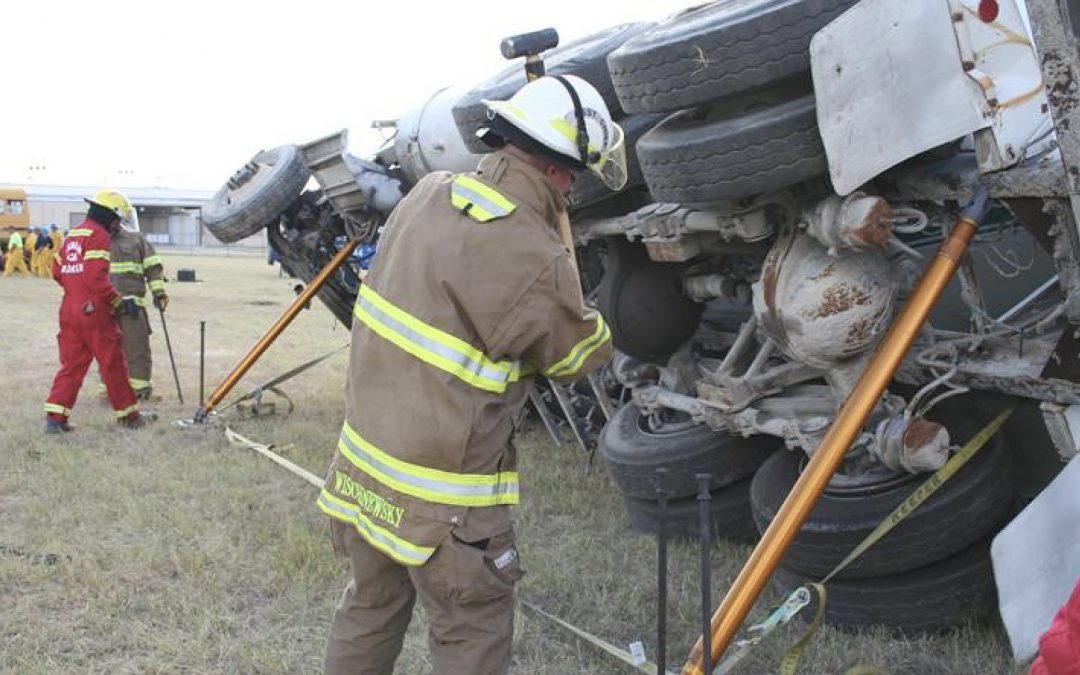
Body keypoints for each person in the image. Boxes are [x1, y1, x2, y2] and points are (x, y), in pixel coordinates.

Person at [318, 74, 625, 675]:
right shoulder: (534, 255)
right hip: (447, 510)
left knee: (368, 610)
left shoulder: (427, 195)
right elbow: (574, 359)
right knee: (471, 637)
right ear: (562, 172)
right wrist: (594, 314)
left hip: (361, 473)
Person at [43, 189, 156, 433]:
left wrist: (75, 291)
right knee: (113, 363)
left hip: (70, 309)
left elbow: (57, 270)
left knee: (71, 366)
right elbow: (97, 280)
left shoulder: (74, 234)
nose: (118, 226)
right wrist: (118, 301)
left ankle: (55, 418)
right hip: (94, 312)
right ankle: (129, 416)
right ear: (110, 215)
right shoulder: (98, 235)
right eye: (117, 220)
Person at [108, 226, 168, 400]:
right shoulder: (97, 240)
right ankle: (109, 389)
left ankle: (140, 390)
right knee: (108, 351)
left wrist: (159, 293)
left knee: (136, 348)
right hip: (105, 307)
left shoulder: (136, 240)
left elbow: (153, 267)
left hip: (132, 308)